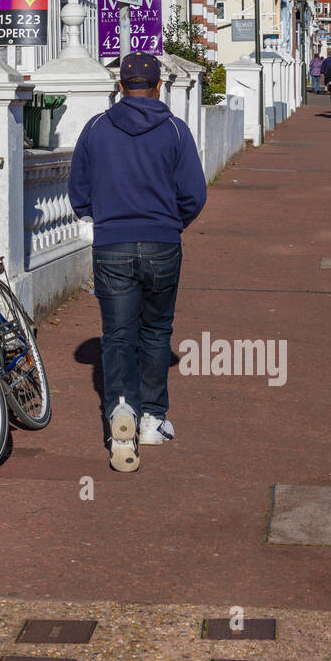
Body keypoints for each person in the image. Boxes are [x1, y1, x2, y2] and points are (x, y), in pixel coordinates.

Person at [69, 52, 207, 473]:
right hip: (163, 242)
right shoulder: (175, 131)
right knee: (156, 331)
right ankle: (152, 420)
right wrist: (170, 223)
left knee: (117, 336)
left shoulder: (95, 129)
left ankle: (120, 413)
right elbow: (194, 195)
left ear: (120, 85)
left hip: (112, 245)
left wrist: (105, 218)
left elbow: (79, 193)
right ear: (159, 86)